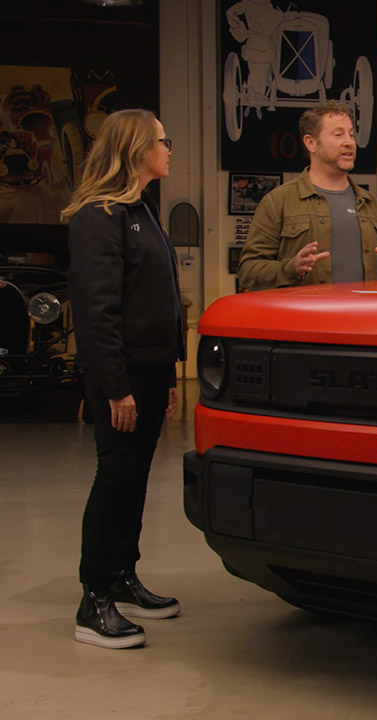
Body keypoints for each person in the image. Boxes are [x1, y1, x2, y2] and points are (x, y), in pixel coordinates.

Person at [63, 109, 186, 649]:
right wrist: (116, 386)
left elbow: (160, 300)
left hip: (153, 369)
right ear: (137, 150)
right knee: (115, 476)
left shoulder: (143, 210)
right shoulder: (99, 216)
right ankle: (93, 598)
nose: (169, 149)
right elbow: (97, 312)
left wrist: (171, 370)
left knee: (136, 478)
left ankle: (122, 576)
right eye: (162, 140)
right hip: (122, 375)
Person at [237, 100, 377, 290]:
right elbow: (248, 271)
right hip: (306, 310)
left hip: (362, 310)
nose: (349, 142)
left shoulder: (371, 205)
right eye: (338, 135)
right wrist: (291, 268)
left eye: (351, 135)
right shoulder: (278, 202)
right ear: (311, 143)